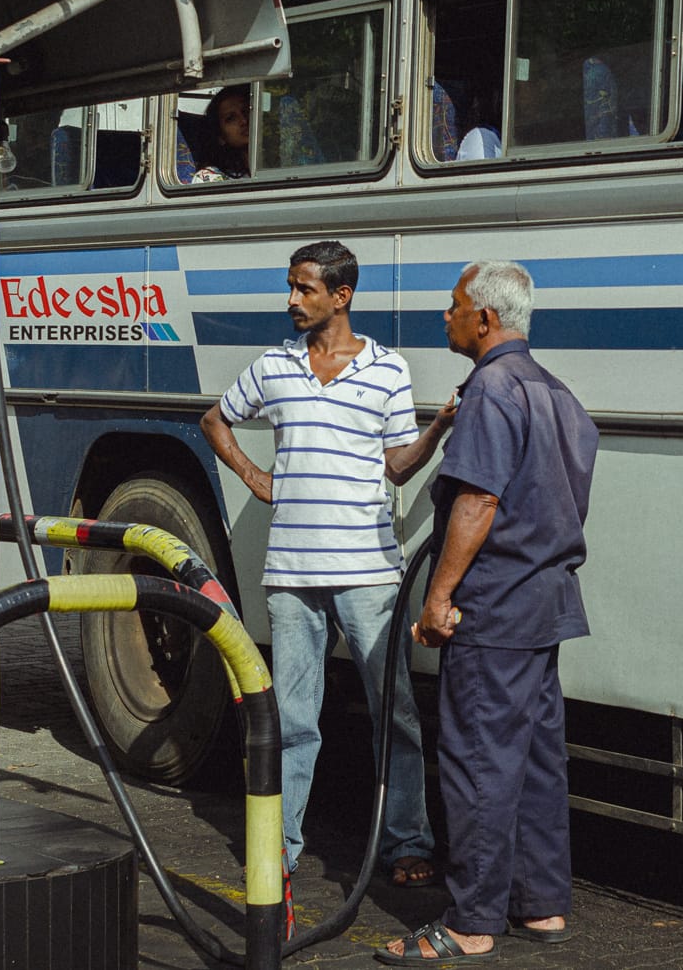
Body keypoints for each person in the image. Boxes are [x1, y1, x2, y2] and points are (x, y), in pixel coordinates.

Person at [200, 240, 455, 888]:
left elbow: (397, 464)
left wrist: (436, 431)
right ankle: (279, 852)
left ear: (341, 296)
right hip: (291, 577)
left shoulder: (387, 371)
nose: (291, 300)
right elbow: (215, 419)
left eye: (304, 288)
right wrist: (256, 476)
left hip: (369, 573)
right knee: (292, 720)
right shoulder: (274, 366)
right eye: (290, 286)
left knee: (392, 713)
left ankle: (406, 844)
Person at [377, 260, 598, 966]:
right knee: (535, 761)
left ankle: (471, 922)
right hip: (545, 603)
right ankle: (542, 906)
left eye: (452, 307)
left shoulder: (492, 390)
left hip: (495, 611)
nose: (446, 317)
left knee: (478, 763)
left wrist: (439, 598)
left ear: (485, 319)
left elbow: (477, 502)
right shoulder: (557, 394)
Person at [191, 84, 250, 182]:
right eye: (231, 118)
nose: (244, 121)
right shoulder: (210, 177)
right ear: (221, 136)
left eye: (246, 111)